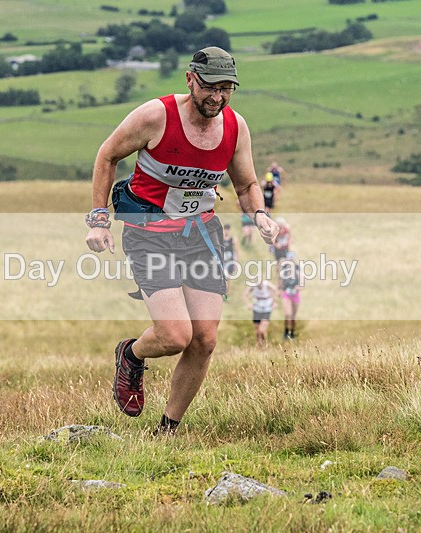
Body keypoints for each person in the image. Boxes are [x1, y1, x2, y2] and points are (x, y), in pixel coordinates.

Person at [85, 46, 278, 435]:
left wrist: (259, 215)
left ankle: (167, 430)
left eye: (227, 89)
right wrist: (99, 219)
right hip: (149, 233)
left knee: (204, 339)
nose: (218, 97)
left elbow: (247, 184)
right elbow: (107, 156)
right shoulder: (156, 116)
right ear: (190, 79)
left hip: (200, 235)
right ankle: (132, 354)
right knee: (175, 336)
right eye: (210, 87)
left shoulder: (235, 128)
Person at [243, 275, 277, 348]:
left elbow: (276, 290)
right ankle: (259, 344)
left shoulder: (266, 284)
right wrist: (248, 304)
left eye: (259, 284)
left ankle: (265, 344)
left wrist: (274, 302)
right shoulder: (252, 286)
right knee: (257, 330)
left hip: (266, 309)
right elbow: (244, 295)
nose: (258, 286)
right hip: (257, 309)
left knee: (261, 330)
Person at [278, 255, 302, 340]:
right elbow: (280, 283)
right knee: (288, 314)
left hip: (295, 295)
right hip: (286, 294)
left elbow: (302, 284)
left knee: (293, 315)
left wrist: (298, 287)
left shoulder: (298, 270)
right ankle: (286, 332)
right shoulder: (284, 270)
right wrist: (279, 290)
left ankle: (292, 333)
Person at [221, 223, 241, 298]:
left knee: (228, 277)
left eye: (227, 230)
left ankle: (227, 293)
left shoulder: (233, 239)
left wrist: (236, 262)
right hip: (223, 261)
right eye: (225, 229)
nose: (226, 231)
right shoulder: (221, 239)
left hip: (230, 261)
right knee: (222, 277)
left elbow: (236, 250)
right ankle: (224, 292)